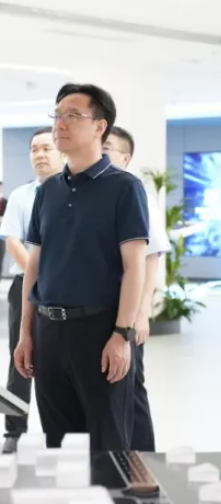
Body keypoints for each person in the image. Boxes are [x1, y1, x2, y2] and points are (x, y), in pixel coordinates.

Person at [14, 83, 150, 451]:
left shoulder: (125, 188)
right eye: (57, 116)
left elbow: (134, 267)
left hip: (100, 331)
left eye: (72, 116)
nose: (60, 124)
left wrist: (121, 335)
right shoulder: (47, 192)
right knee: (59, 446)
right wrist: (26, 333)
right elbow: (35, 266)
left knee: (108, 446)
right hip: (49, 332)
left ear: (100, 126)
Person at [103, 126, 171, 451]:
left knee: (132, 389)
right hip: (97, 312)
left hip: (126, 313)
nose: (99, 153)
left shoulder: (137, 193)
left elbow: (151, 258)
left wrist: (141, 314)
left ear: (125, 158)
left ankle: (144, 462)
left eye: (107, 149)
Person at [0, 126, 63, 453]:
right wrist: (40, 278)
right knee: (20, 359)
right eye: (34, 149)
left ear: (61, 151)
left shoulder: (75, 194)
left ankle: (62, 434)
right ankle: (14, 430)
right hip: (25, 286)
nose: (39, 154)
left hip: (65, 291)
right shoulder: (21, 196)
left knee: (61, 363)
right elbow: (13, 241)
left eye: (46, 148)